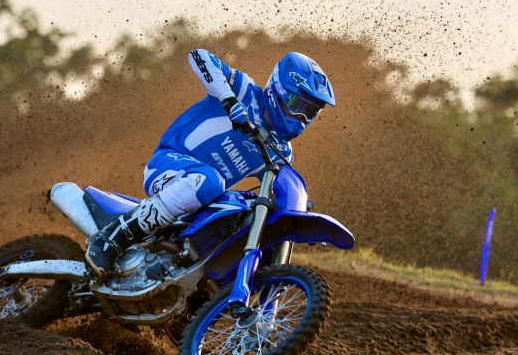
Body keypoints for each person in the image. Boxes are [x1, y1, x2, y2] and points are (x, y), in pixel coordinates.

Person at [85, 48, 335, 277]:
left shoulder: (281, 151)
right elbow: (199, 56)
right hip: (166, 166)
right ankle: (112, 238)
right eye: (298, 105)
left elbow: (280, 191)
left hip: (202, 201)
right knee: (211, 180)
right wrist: (229, 99)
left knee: (242, 212)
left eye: (310, 112)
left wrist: (299, 218)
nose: (302, 118)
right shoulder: (245, 91)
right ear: (279, 89)